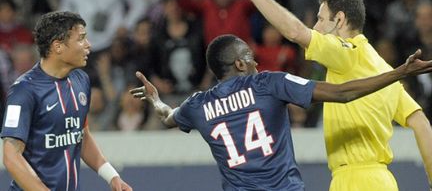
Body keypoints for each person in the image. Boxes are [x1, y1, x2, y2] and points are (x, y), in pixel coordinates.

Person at [212, 0, 432, 191]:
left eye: (320, 19)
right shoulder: (382, 69)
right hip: (382, 180)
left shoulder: (347, 53)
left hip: (355, 182)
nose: (315, 27)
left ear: (339, 19)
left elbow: (295, 32)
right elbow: (420, 122)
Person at [131, 34, 432, 191]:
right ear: (238, 64)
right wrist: (398, 72)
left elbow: (168, 117)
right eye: (249, 57)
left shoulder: (199, 105)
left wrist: (156, 100)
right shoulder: (269, 83)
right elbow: (343, 93)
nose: (256, 62)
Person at [1, 11, 132, 191]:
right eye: (81, 39)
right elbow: (11, 156)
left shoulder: (81, 80)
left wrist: (111, 176)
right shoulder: (23, 91)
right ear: (58, 46)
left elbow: (82, 136)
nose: (88, 45)